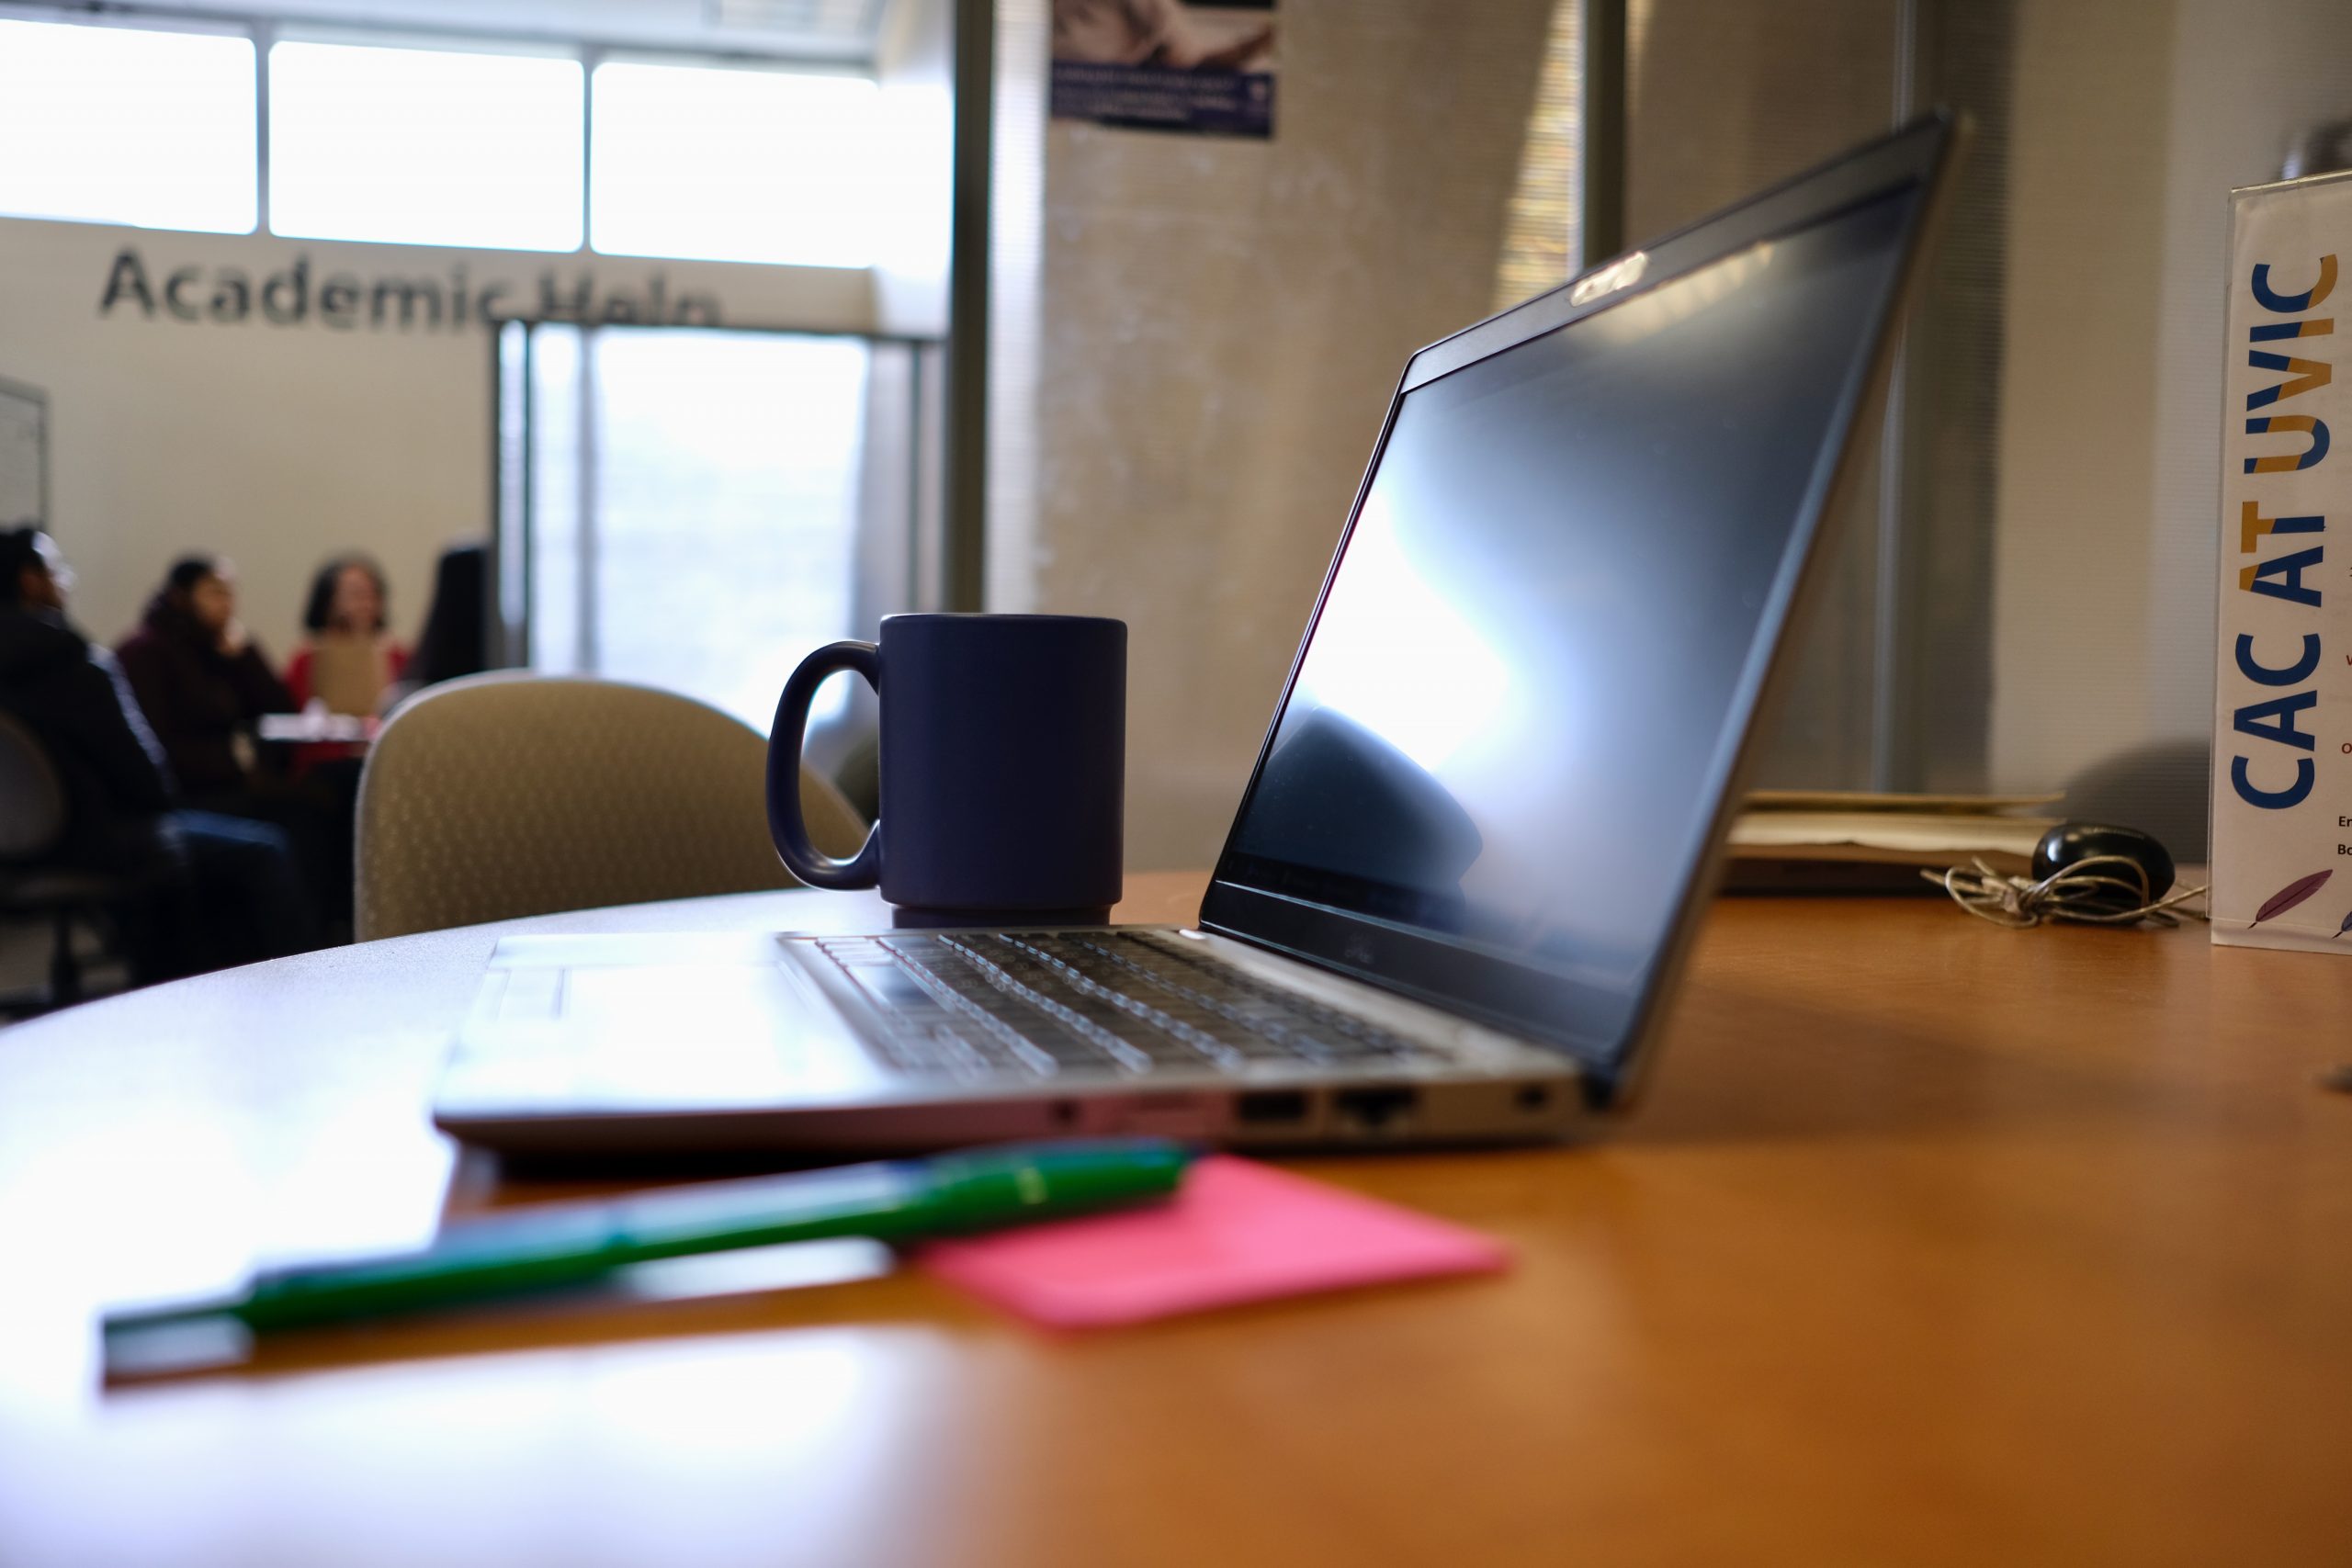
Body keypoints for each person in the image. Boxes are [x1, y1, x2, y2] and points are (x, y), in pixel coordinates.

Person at [0, 526, 316, 980]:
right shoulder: (77, 663)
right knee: (268, 848)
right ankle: (307, 986)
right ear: (30, 581)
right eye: (56, 572)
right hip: (102, 841)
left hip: (17, 853)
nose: (64, 582)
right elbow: (150, 781)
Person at [116, 554, 350, 937]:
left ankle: (325, 935)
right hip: (189, 794)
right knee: (301, 816)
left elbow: (280, 711)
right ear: (180, 597)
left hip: (227, 783)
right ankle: (298, 947)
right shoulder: (145, 652)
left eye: (230, 594)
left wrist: (246, 655)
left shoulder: (219, 650)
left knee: (328, 796)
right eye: (214, 593)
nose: (227, 604)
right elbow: (157, 749)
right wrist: (236, 759)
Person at [288, 554, 408, 718]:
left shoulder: (397, 656)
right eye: (355, 594)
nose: (365, 603)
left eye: (372, 594)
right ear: (329, 601)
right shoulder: (307, 659)